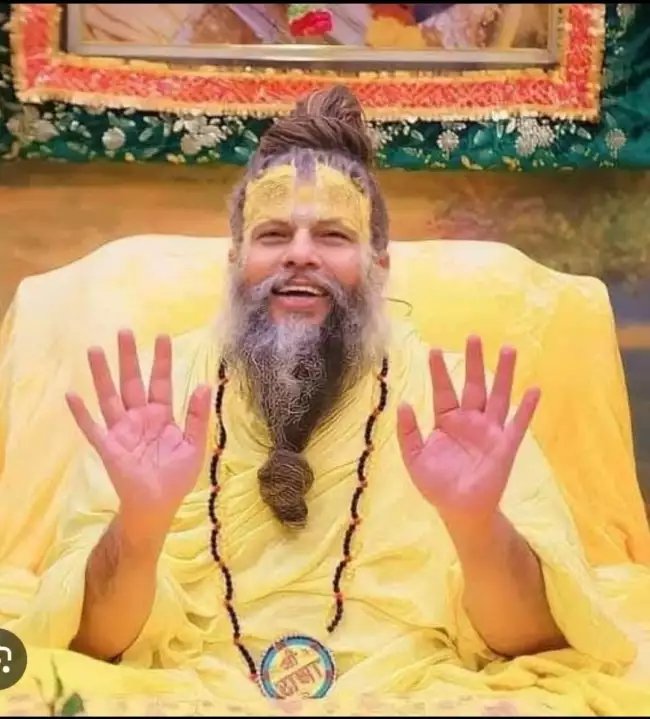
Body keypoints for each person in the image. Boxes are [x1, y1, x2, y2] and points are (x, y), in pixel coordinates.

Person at [2, 85, 650, 716]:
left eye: (334, 236)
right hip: (188, 686)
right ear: (235, 261)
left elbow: (531, 643)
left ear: (379, 267)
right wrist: (140, 526)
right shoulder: (155, 401)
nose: (300, 255)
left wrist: (477, 523)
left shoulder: (455, 408)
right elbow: (95, 643)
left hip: (412, 690)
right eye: (273, 234)